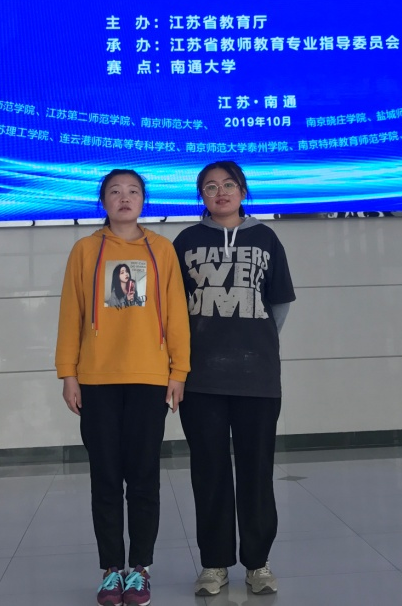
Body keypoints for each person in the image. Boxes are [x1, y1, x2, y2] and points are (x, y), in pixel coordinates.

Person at [56, 169, 191, 606]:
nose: (124, 198)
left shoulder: (162, 250)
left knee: (144, 477)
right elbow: (71, 314)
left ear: (143, 200)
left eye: (133, 191)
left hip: (149, 378)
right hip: (97, 379)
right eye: (114, 192)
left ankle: (141, 570)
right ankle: (111, 569)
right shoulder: (84, 250)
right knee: (106, 478)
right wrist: (68, 373)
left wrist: (179, 372)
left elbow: (176, 314)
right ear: (103, 201)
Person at [170, 161, 296, 597]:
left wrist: (252, 340)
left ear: (242, 191)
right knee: (209, 473)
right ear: (201, 196)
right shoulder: (185, 241)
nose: (220, 192)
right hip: (200, 379)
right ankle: (214, 564)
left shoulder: (266, 238)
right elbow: (173, 309)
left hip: (257, 378)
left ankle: (258, 563)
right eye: (210, 187)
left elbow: (278, 304)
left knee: (256, 472)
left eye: (228, 184)